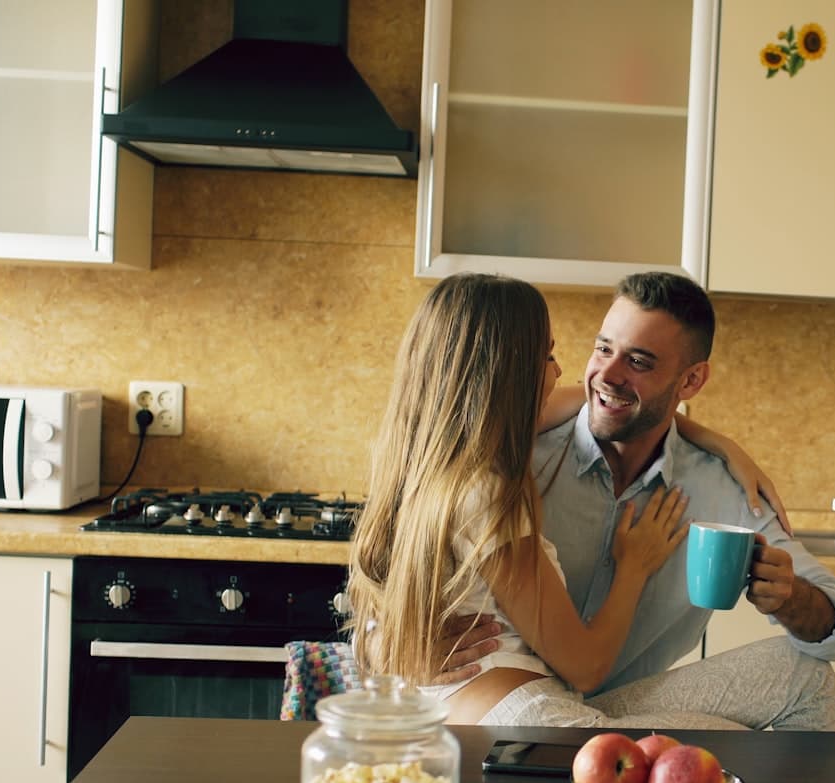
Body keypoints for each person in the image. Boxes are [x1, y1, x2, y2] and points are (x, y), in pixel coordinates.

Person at [346, 272, 809, 729]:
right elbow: (585, 666)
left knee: (799, 678)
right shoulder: (488, 492)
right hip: (529, 721)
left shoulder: (429, 461)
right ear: (510, 374)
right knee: (736, 747)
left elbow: (607, 402)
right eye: (547, 356)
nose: (563, 370)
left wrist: (718, 443)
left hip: (521, 710)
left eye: (639, 361)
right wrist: (634, 567)